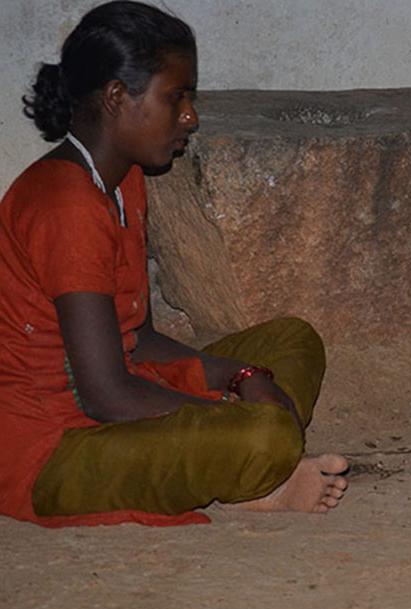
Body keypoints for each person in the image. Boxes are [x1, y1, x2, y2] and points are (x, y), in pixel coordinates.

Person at [0, 0, 348, 527]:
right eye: (176, 97)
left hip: (119, 390)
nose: (191, 116)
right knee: (264, 433)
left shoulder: (126, 181)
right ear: (118, 97)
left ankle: (248, 468)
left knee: (291, 340)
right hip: (52, 449)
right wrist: (234, 414)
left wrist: (244, 374)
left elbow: (137, 336)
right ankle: (256, 477)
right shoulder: (66, 204)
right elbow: (105, 395)